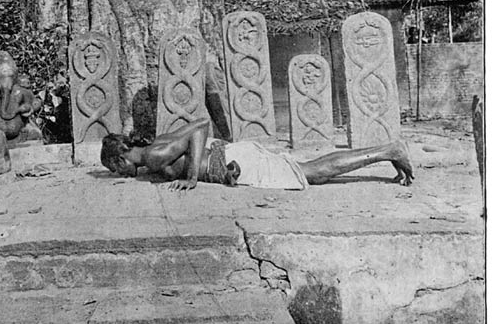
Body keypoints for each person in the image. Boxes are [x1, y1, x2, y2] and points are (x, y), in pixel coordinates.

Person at [101, 118, 414, 191]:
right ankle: (386, 151)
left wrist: (194, 177)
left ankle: (388, 150)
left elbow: (199, 128)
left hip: (233, 160)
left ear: (122, 156)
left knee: (310, 174)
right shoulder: (153, 151)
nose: (120, 174)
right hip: (231, 158)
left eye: (117, 169)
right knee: (306, 171)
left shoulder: (154, 155)